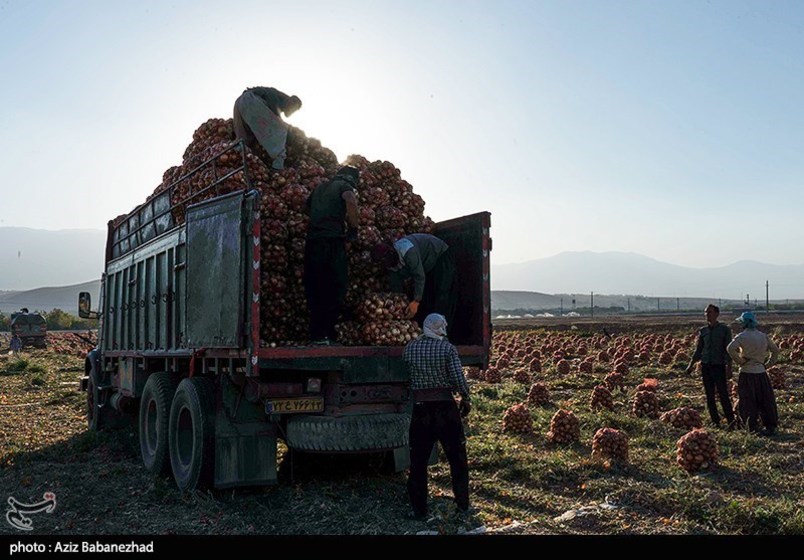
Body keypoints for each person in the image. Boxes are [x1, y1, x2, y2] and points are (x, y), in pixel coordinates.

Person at [402, 313, 471, 520]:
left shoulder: (410, 348)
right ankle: (462, 505)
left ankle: (419, 510)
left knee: (418, 462)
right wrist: (466, 397)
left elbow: (406, 369)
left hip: (421, 409)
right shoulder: (447, 349)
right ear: (439, 328)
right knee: (457, 458)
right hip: (445, 408)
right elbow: (458, 378)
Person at [303, 166, 359, 345]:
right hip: (332, 241)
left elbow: (306, 208)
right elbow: (350, 201)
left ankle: (316, 334)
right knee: (335, 286)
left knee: (315, 287)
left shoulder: (320, 188)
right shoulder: (344, 186)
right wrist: (353, 228)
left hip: (312, 242)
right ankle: (328, 333)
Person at [370, 233, 456, 326]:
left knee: (442, 296)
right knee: (427, 299)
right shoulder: (389, 265)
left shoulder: (408, 251)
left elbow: (419, 276)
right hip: (427, 266)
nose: (387, 264)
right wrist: (400, 302)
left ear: (391, 252)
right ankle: (428, 329)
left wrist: (415, 301)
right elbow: (396, 286)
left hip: (440, 255)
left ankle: (442, 333)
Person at [727, 311, 780, 436]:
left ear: (743, 323)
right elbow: (776, 350)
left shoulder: (742, 336)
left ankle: (751, 426)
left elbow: (730, 348)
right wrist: (768, 364)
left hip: (746, 372)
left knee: (748, 400)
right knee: (766, 399)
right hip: (761, 372)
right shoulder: (763, 336)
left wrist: (740, 361)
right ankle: (770, 426)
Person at [685, 304, 736, 429]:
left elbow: (728, 349)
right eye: (706, 312)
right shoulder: (703, 331)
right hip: (706, 365)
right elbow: (699, 350)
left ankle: (731, 421)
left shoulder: (724, 330)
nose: (707, 315)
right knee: (709, 395)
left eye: (710, 312)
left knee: (723, 394)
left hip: (719, 365)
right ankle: (715, 421)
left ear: (717, 314)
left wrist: (729, 367)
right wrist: (690, 365)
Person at [233, 86, 302, 170]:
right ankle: (277, 166)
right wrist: (288, 133)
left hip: (239, 103)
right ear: (291, 101)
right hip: (250, 100)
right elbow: (275, 119)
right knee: (280, 130)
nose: (292, 112)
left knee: (244, 139)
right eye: (293, 109)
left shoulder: (275, 99)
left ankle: (234, 159)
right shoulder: (276, 96)